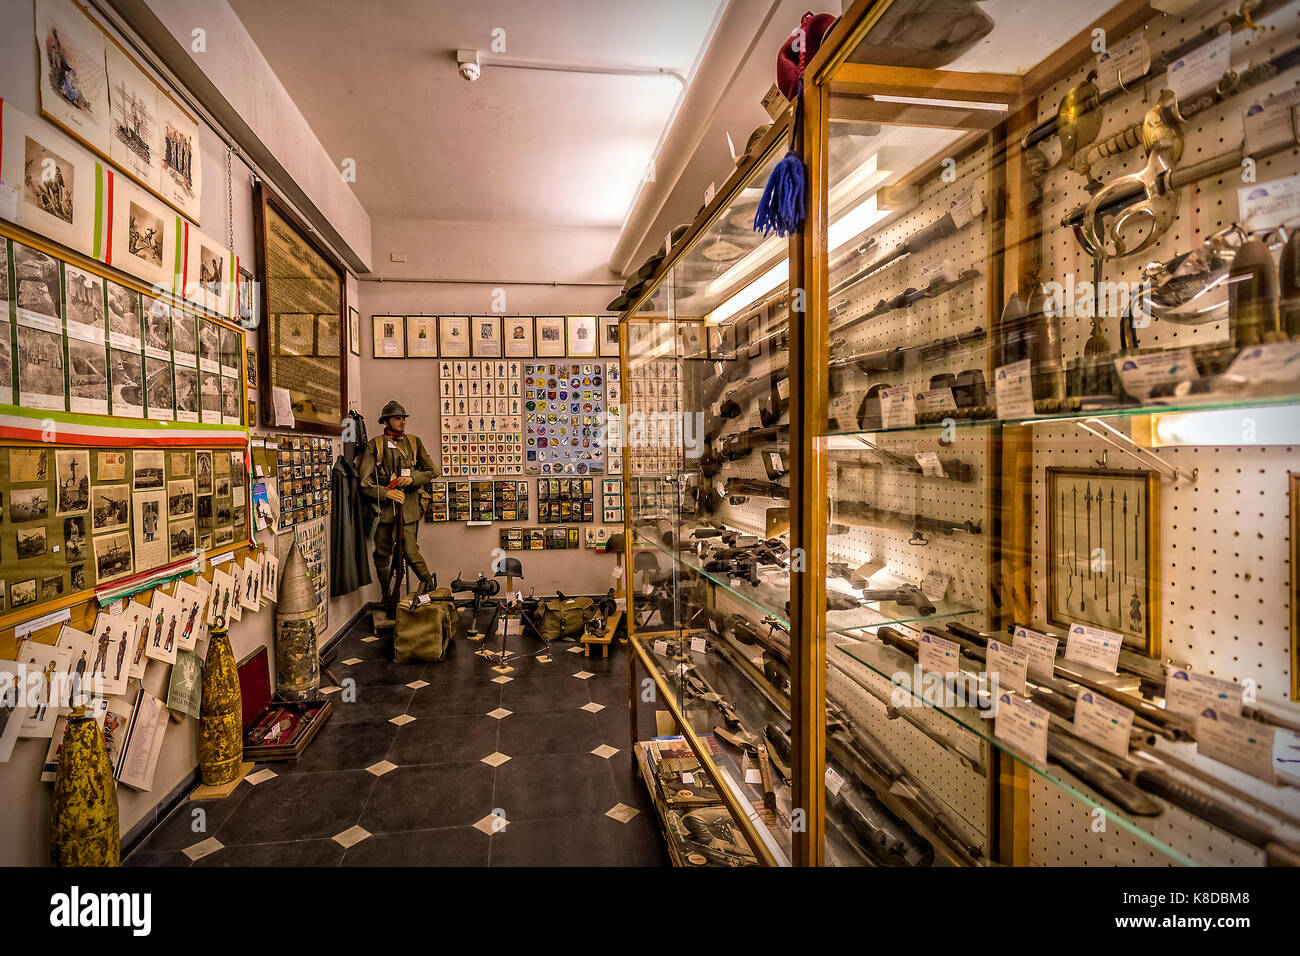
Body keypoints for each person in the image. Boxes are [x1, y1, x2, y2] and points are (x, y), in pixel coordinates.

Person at [359, 400, 437, 601]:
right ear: (386, 421)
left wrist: (412, 479)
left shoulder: (414, 442)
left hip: (409, 508)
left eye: (403, 418)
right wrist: (386, 493)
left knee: (411, 552)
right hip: (384, 511)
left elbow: (432, 471)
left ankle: (431, 591)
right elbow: (364, 483)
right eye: (396, 418)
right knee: (383, 555)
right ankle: (388, 598)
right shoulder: (374, 445)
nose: (402, 422)